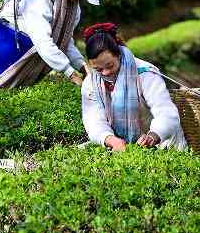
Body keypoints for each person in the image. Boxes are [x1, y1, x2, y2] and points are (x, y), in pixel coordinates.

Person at [81, 23, 188, 152]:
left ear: (119, 55)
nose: (105, 73)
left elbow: (167, 113)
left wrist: (153, 136)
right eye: (98, 69)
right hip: (123, 147)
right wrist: (110, 139)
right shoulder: (92, 82)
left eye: (110, 66)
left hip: (162, 144)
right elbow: (93, 120)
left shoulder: (145, 73)